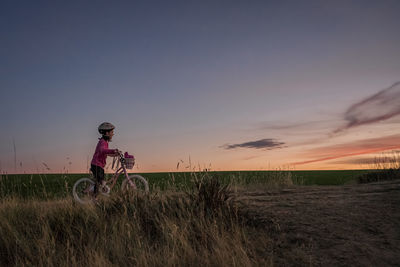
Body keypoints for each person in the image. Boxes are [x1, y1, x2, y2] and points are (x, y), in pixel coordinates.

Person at [90, 122, 119, 198]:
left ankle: (95, 193)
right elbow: (103, 150)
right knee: (100, 182)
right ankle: (94, 198)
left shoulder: (105, 142)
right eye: (112, 132)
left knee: (101, 181)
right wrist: (113, 151)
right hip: (96, 164)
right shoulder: (102, 142)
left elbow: (106, 153)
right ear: (107, 133)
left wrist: (115, 154)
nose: (113, 134)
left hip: (99, 165)